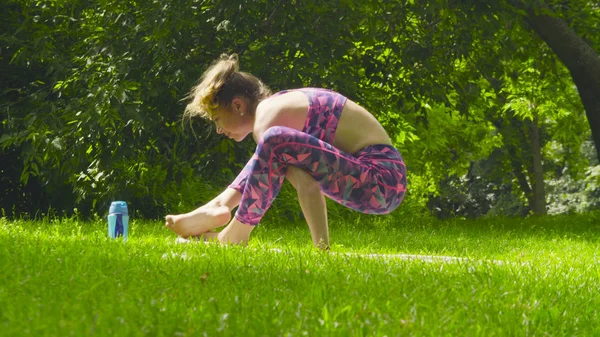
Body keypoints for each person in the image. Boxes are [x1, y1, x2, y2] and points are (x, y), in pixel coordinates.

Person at [165, 53, 407, 249]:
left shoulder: (267, 122)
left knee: (272, 141)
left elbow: (308, 186)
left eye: (217, 119)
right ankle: (220, 205)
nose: (218, 130)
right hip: (381, 180)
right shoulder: (277, 109)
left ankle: (235, 232)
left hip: (380, 182)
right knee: (272, 144)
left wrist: (322, 249)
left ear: (238, 105)